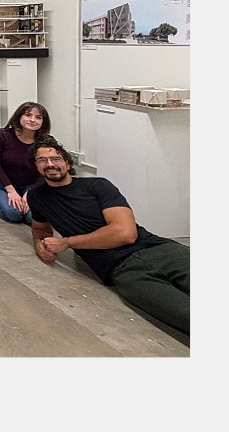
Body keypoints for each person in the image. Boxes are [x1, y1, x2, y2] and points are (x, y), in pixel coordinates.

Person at [26, 134, 190, 336]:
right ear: (36, 167)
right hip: (122, 270)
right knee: (185, 314)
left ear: (67, 163)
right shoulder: (37, 196)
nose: (50, 164)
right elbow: (40, 228)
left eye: (56, 159)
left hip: (158, 249)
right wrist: (40, 245)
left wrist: (67, 242)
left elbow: (125, 233)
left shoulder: (97, 186)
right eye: (42, 160)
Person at [0, 101, 51, 224]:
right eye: (28, 115)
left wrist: (30, 193)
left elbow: (46, 171)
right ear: (19, 116)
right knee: (13, 214)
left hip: (32, 184)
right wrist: (11, 191)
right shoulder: (2, 135)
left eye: (38, 117)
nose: (32, 120)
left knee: (32, 218)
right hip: (3, 183)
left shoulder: (46, 141)